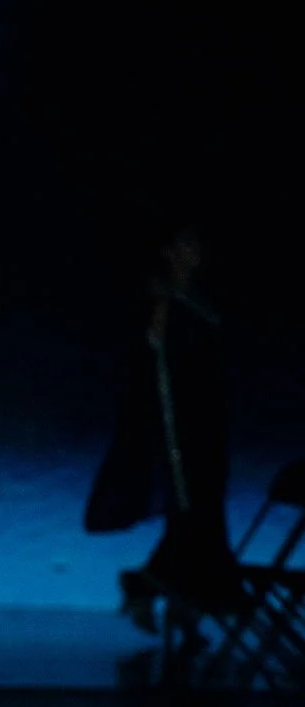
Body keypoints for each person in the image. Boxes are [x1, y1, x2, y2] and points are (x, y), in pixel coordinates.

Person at [86, 229, 243, 626]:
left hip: (207, 419)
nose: (192, 254)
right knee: (191, 508)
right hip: (180, 420)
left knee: (201, 508)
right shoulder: (162, 295)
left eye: (197, 247)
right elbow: (155, 352)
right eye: (183, 246)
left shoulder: (205, 301)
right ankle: (163, 590)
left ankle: (170, 594)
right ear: (168, 252)